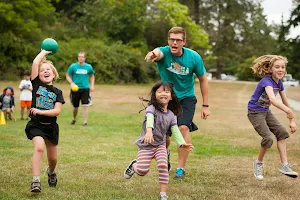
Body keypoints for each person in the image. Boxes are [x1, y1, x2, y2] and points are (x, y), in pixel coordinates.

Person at [144, 26, 210, 178]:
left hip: (187, 98)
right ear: (168, 41)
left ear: (184, 42)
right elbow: (158, 52)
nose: (174, 43)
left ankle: (180, 168)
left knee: (183, 128)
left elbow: (203, 80)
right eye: (171, 39)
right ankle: (164, 154)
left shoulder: (194, 57)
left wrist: (205, 105)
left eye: (178, 40)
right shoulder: (164, 52)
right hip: (166, 99)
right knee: (163, 137)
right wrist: (152, 53)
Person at [124, 81, 193, 200]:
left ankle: (163, 194)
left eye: (166, 92)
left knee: (163, 165)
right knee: (142, 171)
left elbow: (175, 130)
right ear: (155, 95)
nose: (163, 94)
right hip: (147, 145)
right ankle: (134, 165)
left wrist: (182, 143)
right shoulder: (152, 109)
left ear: (171, 96)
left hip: (160, 145)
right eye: (160, 91)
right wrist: (149, 131)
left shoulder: (171, 115)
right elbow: (150, 119)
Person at [247, 55, 298, 180]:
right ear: (270, 69)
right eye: (277, 67)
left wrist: (292, 120)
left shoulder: (279, 83)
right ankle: (258, 163)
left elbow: (285, 101)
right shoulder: (266, 81)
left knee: (281, 133)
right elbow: (273, 100)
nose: (280, 69)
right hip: (255, 112)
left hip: (265, 111)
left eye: (282, 67)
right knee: (268, 138)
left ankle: (284, 165)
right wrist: (287, 111)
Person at [25, 50, 65, 192]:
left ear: (53, 75)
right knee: (39, 148)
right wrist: (43, 53)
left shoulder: (58, 92)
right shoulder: (36, 85)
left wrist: (41, 111)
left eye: (48, 69)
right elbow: (35, 63)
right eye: (42, 70)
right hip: (36, 125)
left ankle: (51, 172)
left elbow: (57, 111)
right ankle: (35, 181)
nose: (45, 71)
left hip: (51, 128)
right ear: (38, 75)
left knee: (53, 159)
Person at [66, 52, 95, 126]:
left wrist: (92, 85)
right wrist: (71, 82)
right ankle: (74, 119)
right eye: (79, 57)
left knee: (85, 105)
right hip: (75, 89)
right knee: (75, 107)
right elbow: (68, 75)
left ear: (85, 58)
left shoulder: (88, 67)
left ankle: (85, 122)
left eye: (82, 57)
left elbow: (92, 75)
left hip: (85, 88)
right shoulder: (73, 66)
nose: (80, 58)